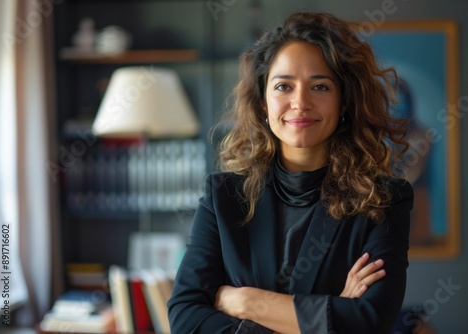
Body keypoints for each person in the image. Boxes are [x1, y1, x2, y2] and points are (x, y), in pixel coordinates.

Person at [167, 11, 413, 334]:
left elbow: (369, 320)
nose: (300, 103)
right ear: (263, 103)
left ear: (344, 102)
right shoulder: (223, 197)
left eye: (320, 87)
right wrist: (326, 315)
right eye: (283, 86)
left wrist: (247, 304)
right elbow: (185, 319)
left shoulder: (383, 201)